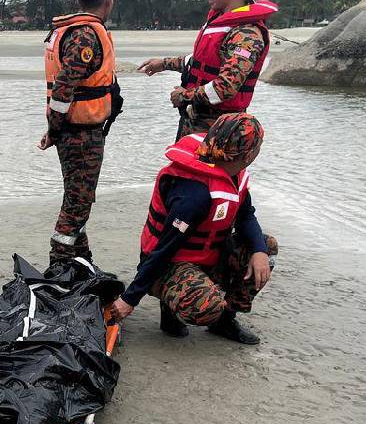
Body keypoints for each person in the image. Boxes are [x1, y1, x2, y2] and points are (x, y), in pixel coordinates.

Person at [107, 113, 279, 345]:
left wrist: (258, 251)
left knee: (266, 247)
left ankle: (225, 321)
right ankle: (170, 307)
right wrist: (129, 300)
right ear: (250, 155)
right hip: (169, 264)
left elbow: (246, 214)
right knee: (207, 306)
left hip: (207, 257)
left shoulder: (232, 172)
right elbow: (164, 250)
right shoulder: (194, 196)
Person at [136, 0, 278, 138]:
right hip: (195, 123)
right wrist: (163, 64)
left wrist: (184, 96)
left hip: (219, 132)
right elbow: (200, 61)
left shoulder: (246, 35)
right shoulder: (219, 23)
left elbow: (225, 87)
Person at [37, 0, 122, 266]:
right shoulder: (86, 35)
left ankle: (82, 261)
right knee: (76, 203)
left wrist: (54, 129)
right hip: (80, 133)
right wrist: (56, 129)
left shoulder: (74, 30)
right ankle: (59, 267)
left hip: (77, 130)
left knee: (80, 198)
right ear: (108, 1)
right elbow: (63, 87)